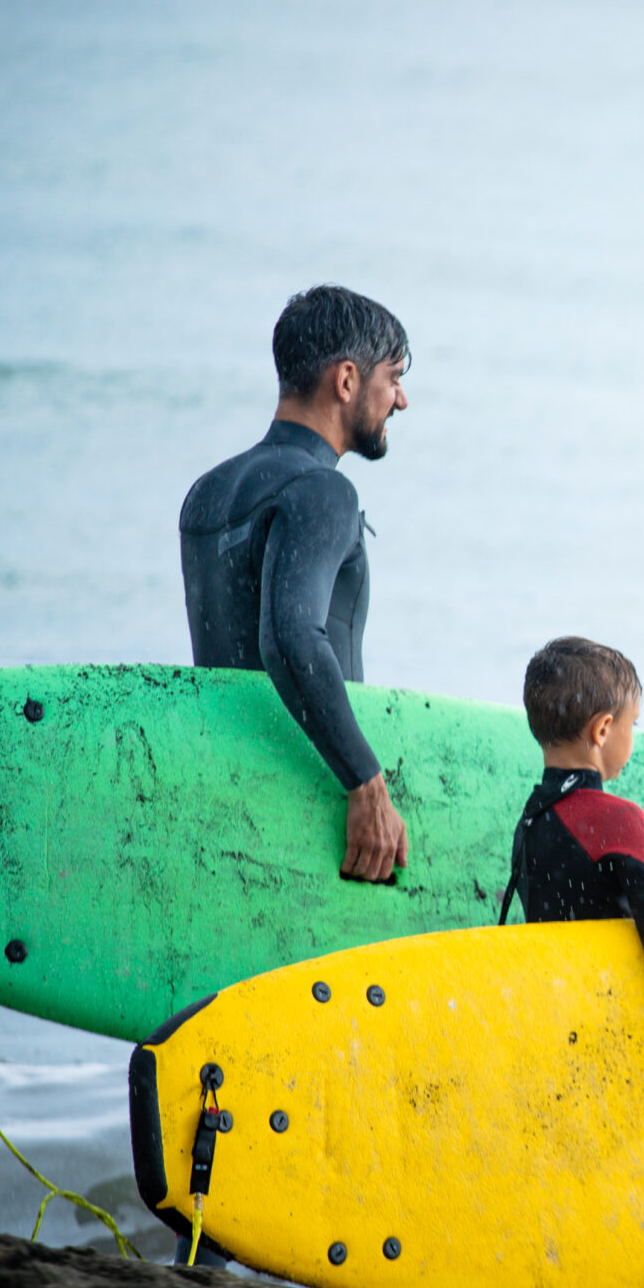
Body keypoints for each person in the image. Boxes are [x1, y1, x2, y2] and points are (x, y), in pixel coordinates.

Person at [179, 286, 411, 882]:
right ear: (347, 380)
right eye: (394, 377)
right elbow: (289, 638)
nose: (402, 400)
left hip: (223, 796)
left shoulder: (206, 492)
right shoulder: (323, 491)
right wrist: (365, 783)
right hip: (312, 810)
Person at [502, 636, 644, 1124]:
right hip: (619, 1035)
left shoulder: (532, 821)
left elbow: (572, 912)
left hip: (557, 1029)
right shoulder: (616, 819)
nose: (633, 737)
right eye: (633, 726)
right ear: (604, 730)